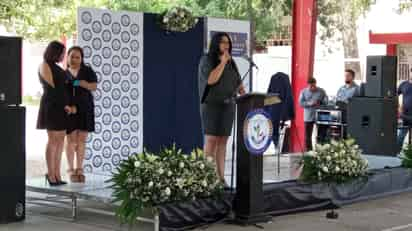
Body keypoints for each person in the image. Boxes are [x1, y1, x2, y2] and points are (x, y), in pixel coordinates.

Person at [198, 32, 245, 184]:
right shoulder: (207, 59)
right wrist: (223, 62)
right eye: (223, 42)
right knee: (211, 140)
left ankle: (220, 177)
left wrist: (244, 93)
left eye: (228, 43)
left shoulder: (232, 62)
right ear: (216, 43)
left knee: (223, 141)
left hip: (228, 106)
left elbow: (238, 83)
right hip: (211, 105)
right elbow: (211, 80)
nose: (226, 45)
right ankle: (207, 177)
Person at [37, 41, 76, 186]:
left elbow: (65, 86)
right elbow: (52, 89)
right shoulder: (44, 65)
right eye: (62, 53)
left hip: (62, 108)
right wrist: (64, 104)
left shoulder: (58, 67)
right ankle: (50, 174)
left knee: (60, 141)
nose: (63, 55)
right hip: (52, 106)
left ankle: (57, 174)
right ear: (54, 52)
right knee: (53, 140)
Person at [65, 46, 97, 183]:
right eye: (72, 56)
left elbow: (94, 86)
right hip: (70, 109)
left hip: (85, 108)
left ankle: (80, 169)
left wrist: (82, 83)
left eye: (77, 57)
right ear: (67, 57)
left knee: (82, 140)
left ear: (82, 58)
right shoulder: (63, 73)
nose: (74, 59)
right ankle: (70, 169)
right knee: (71, 140)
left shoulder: (87, 71)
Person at [299, 77, 328, 151]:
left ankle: (320, 150)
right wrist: (310, 103)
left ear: (316, 84)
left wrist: (321, 102)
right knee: (308, 136)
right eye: (310, 86)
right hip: (308, 116)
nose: (312, 88)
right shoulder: (303, 92)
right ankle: (309, 152)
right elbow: (300, 103)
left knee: (321, 134)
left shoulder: (321, 91)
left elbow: (326, 100)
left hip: (320, 116)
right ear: (307, 85)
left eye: (314, 86)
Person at [397, 79, 412, 149]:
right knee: (401, 136)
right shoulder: (404, 84)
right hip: (405, 116)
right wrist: (398, 106)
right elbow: (394, 94)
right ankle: (396, 152)